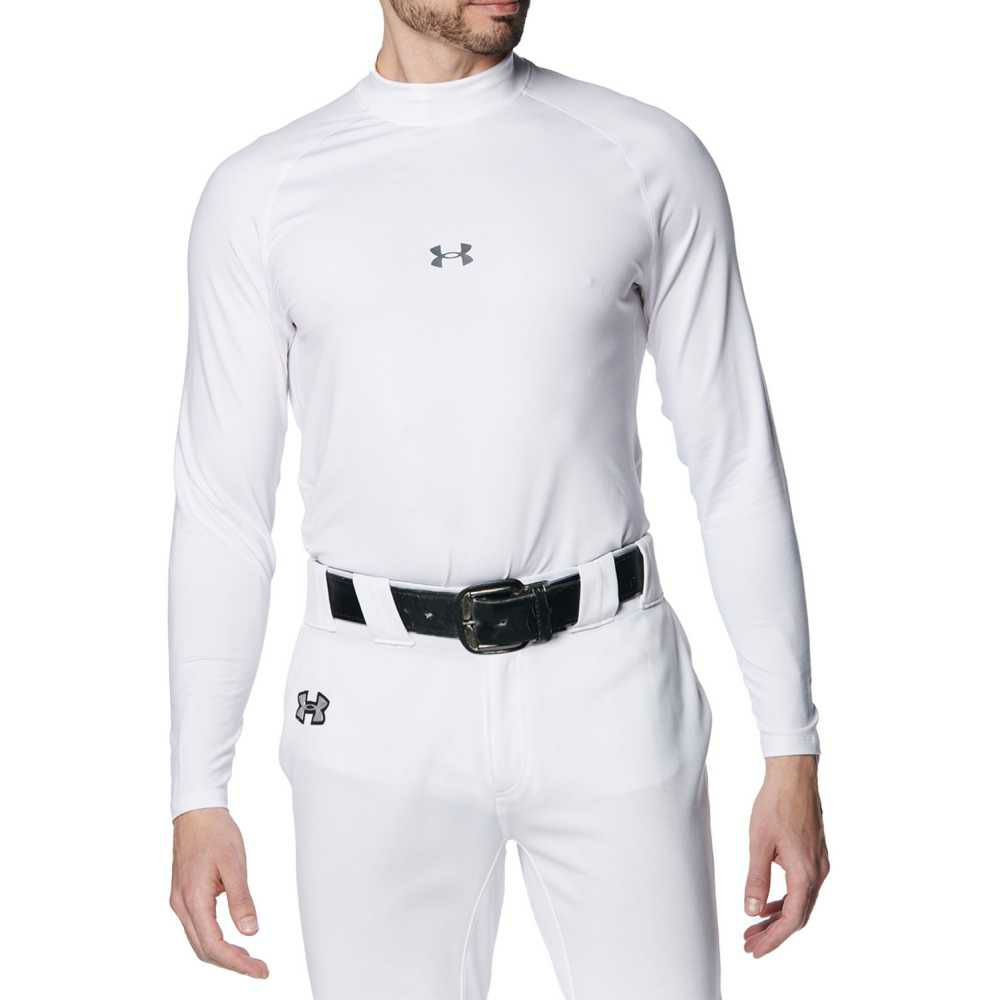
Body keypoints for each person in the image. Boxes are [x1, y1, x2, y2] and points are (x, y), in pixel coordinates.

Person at [168, 1, 830, 996]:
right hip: (369, 704)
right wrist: (197, 789)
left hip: (610, 686)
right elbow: (222, 505)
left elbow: (735, 461)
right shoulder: (262, 193)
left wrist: (790, 746)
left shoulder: (646, 157)